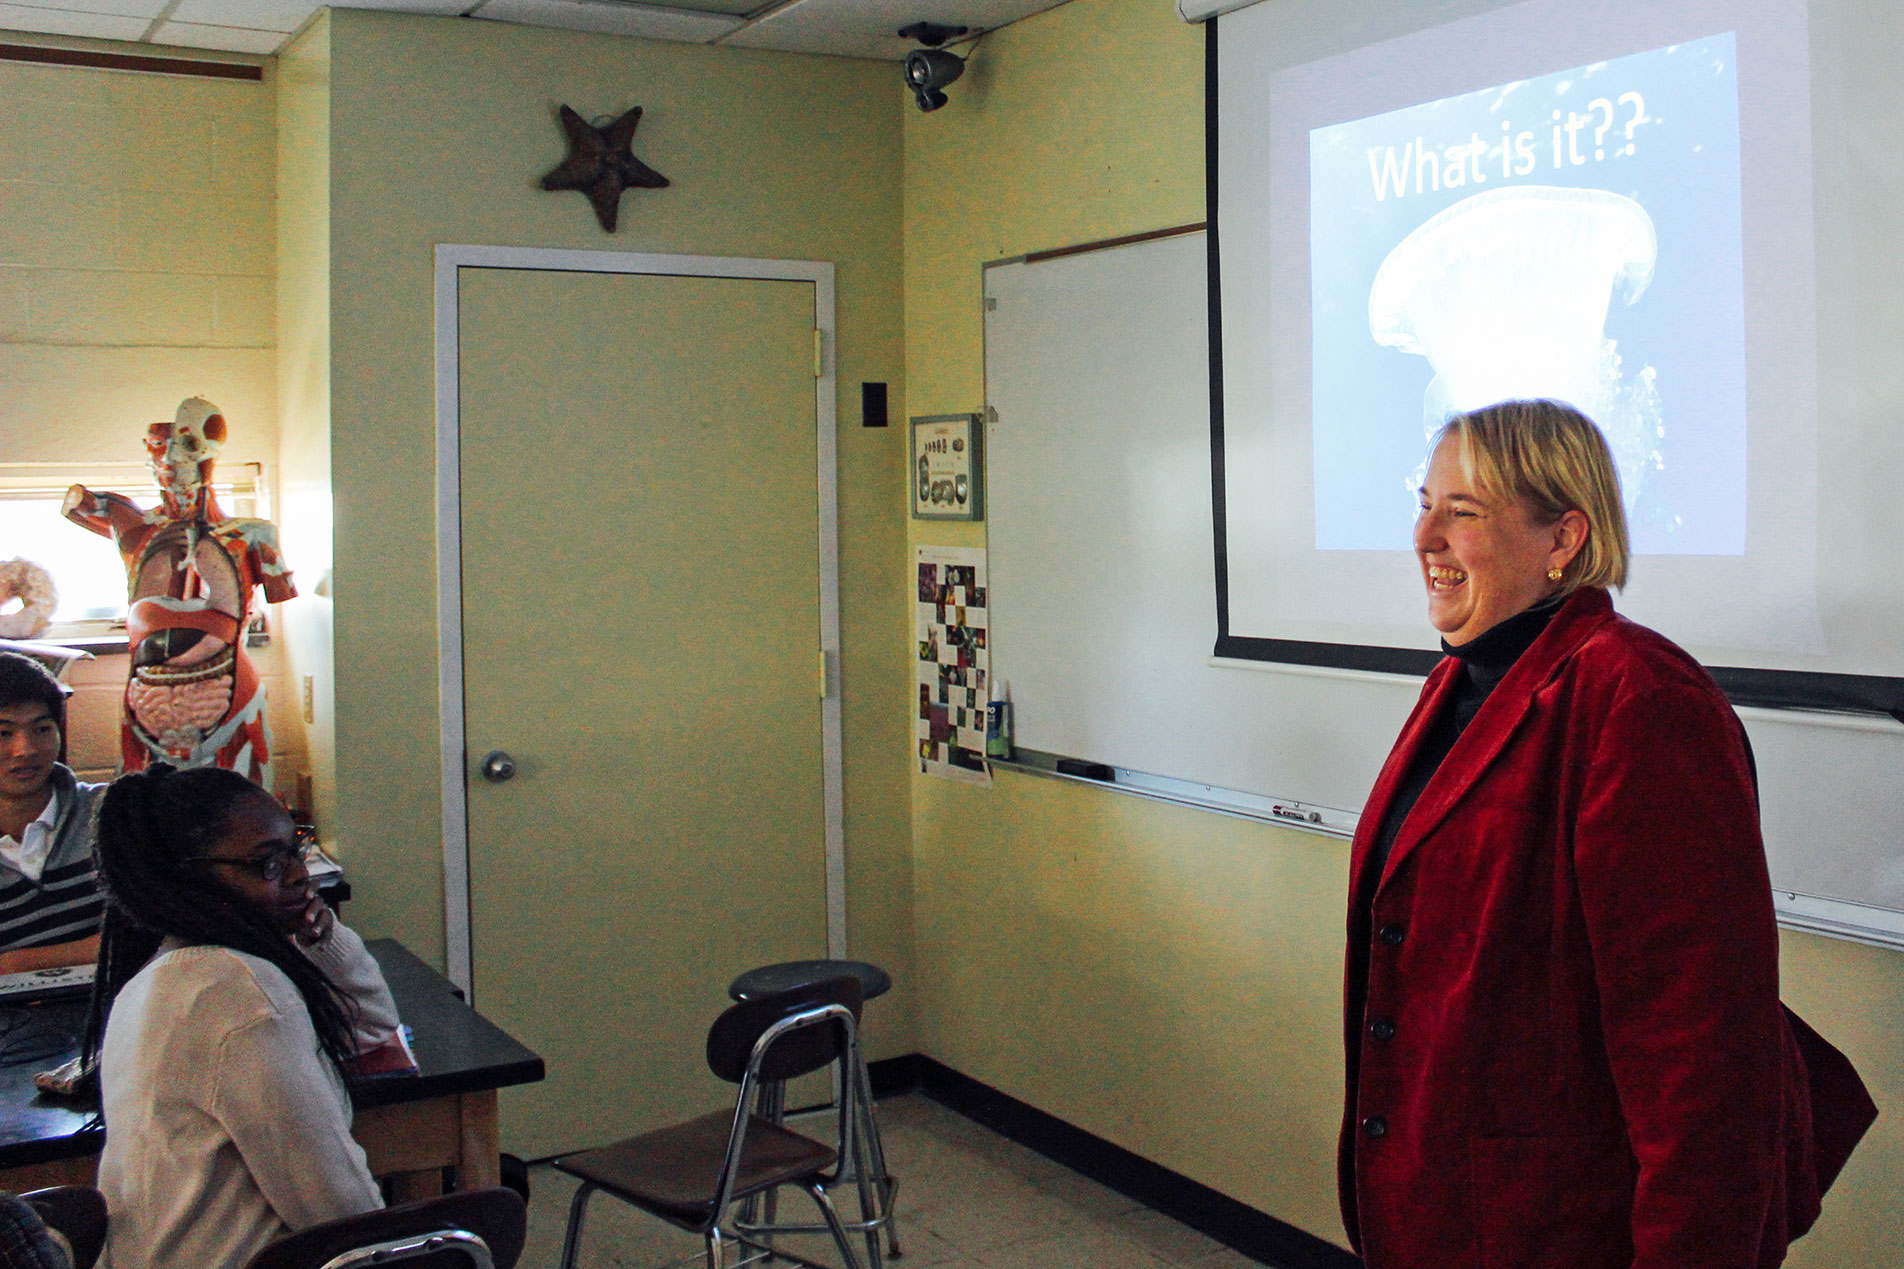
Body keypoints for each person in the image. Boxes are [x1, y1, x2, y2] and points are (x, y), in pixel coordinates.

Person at [1340, 400, 1874, 1269]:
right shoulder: (1456, 685)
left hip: (1561, 1229)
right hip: (1445, 1211)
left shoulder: (1641, 697)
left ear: (1563, 538)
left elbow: (1702, 1056)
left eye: (1462, 511)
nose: (1424, 536)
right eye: (1424, 503)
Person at [86, 764, 398, 1269]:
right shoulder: (239, 994)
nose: (299, 874)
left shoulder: (159, 975)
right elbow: (341, 1215)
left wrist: (323, 943)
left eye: (296, 849)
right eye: (268, 863)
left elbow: (371, 1030)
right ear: (187, 878)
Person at [0, 653, 103, 974]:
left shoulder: (112, 812)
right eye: (3, 733)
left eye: (42, 729)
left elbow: (151, 936)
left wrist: (13, 963)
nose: (25, 750)